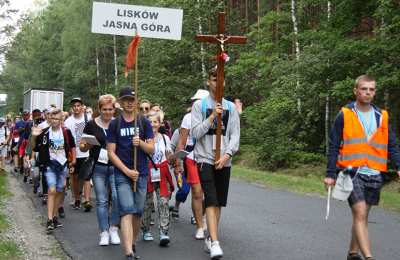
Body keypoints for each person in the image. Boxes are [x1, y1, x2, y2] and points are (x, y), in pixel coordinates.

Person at [324, 75, 400, 260]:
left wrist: (398, 165)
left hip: (374, 173)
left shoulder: (381, 115)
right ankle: (368, 257)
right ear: (356, 91)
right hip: (351, 172)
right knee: (359, 212)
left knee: (363, 216)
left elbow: (392, 144)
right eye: (364, 89)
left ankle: (352, 253)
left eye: (371, 89)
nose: (368, 92)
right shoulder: (345, 114)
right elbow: (333, 145)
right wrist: (330, 174)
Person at [191, 67, 240, 259]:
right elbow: (195, 133)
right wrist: (212, 116)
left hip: (223, 160)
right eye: (213, 79)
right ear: (208, 82)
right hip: (205, 159)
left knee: (218, 202)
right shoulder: (200, 106)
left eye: (220, 79)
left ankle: (211, 237)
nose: (217, 83)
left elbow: (235, 134)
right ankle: (215, 242)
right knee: (210, 199)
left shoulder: (231, 107)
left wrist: (227, 155)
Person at [107, 87, 154, 259]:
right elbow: (111, 152)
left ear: (136, 101)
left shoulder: (144, 122)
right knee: (126, 210)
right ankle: (128, 252)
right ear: (120, 102)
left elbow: (151, 148)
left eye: (132, 99)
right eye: (125, 99)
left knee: (138, 211)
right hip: (122, 173)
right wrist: (126, 171)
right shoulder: (115, 123)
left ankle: (132, 242)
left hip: (141, 173)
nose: (129, 102)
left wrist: (140, 142)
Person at [80, 94, 121, 246]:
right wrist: (89, 144)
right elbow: (82, 147)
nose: (107, 112)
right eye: (104, 109)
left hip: (116, 166)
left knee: (117, 198)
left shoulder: (118, 123)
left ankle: (114, 228)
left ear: (114, 109)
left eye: (110, 109)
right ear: (99, 109)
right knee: (102, 201)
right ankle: (104, 232)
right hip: (98, 167)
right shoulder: (91, 124)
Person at [31, 109, 76, 233]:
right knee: (52, 190)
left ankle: (55, 216)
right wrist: (34, 137)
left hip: (63, 165)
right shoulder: (45, 133)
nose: (54, 121)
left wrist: (73, 160)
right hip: (49, 165)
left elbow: (72, 146)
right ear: (49, 119)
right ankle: (49, 220)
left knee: (61, 189)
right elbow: (35, 147)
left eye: (57, 119)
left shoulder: (66, 132)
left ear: (61, 120)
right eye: (52, 118)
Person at [174, 89, 209, 240]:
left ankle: (202, 216)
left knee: (210, 193)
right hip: (192, 158)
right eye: (196, 101)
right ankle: (199, 226)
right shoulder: (188, 117)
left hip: (209, 158)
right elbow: (182, 141)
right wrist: (177, 161)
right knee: (196, 191)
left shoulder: (213, 115)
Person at [141, 111, 174, 246]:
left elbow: (169, 157)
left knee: (163, 201)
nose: (153, 124)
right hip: (147, 173)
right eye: (150, 122)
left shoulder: (166, 138)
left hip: (162, 173)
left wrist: (172, 158)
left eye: (155, 121)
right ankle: (146, 229)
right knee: (147, 203)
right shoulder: (142, 138)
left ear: (160, 123)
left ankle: (163, 232)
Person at [64, 97, 92, 211]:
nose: (76, 108)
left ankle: (87, 200)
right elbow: (67, 139)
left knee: (86, 177)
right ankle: (77, 198)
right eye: (74, 106)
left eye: (78, 105)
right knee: (75, 178)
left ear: (82, 107)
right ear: (72, 108)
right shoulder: (68, 121)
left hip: (86, 152)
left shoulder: (88, 119)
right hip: (74, 153)